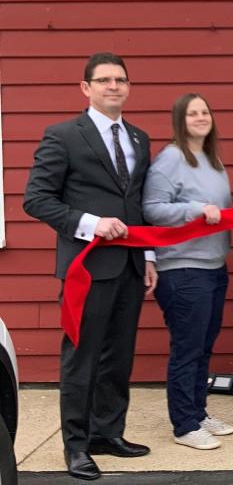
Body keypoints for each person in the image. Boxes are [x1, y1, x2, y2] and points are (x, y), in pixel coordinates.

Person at [23, 52, 156, 480]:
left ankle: (107, 433)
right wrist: (91, 224)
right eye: (104, 80)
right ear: (86, 88)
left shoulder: (139, 138)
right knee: (81, 359)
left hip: (132, 266)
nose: (113, 86)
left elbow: (138, 204)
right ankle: (76, 445)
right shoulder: (63, 136)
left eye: (121, 80)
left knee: (119, 358)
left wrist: (149, 255)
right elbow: (37, 199)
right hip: (86, 267)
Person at [143, 93, 233, 450]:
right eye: (192, 113)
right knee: (187, 348)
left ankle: (198, 412)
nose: (200, 117)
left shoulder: (211, 160)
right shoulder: (171, 158)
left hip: (213, 267)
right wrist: (195, 209)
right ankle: (183, 425)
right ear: (180, 120)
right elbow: (152, 209)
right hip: (182, 269)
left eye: (205, 112)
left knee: (204, 347)